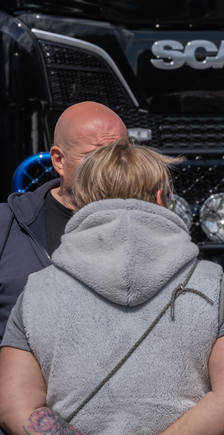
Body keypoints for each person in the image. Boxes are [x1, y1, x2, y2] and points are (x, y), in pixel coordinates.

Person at [0, 141, 224, 434]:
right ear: (160, 198)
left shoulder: (37, 292)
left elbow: (15, 407)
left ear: (82, 199)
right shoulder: (213, 285)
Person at [0, 102, 129, 341]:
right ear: (59, 160)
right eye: (95, 156)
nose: (111, 168)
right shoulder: (7, 225)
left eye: (120, 154)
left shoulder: (146, 226)